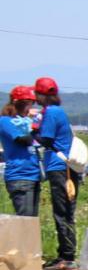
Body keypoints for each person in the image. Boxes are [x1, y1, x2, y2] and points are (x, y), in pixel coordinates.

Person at [33, 77, 80, 270]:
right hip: (66, 168)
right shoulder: (58, 111)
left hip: (58, 167)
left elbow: (45, 139)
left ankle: (66, 256)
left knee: (62, 212)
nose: (34, 97)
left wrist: (31, 130)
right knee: (66, 211)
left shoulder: (51, 112)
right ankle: (66, 253)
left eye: (36, 93)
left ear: (42, 95)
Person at [1, 86, 42, 216]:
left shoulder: (25, 122)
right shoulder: (6, 121)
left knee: (33, 222)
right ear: (18, 103)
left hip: (34, 175)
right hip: (20, 176)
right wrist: (35, 126)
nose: (31, 108)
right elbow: (24, 140)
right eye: (29, 104)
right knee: (25, 222)